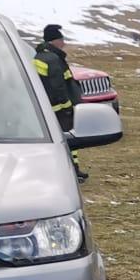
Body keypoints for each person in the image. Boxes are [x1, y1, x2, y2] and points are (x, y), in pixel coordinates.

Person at [33, 24, 84, 182]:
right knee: (67, 138)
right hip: (60, 108)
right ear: (55, 41)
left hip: (48, 107)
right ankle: (72, 170)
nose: (64, 43)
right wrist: (67, 105)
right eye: (62, 39)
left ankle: (70, 169)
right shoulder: (54, 59)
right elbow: (58, 86)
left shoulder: (40, 57)